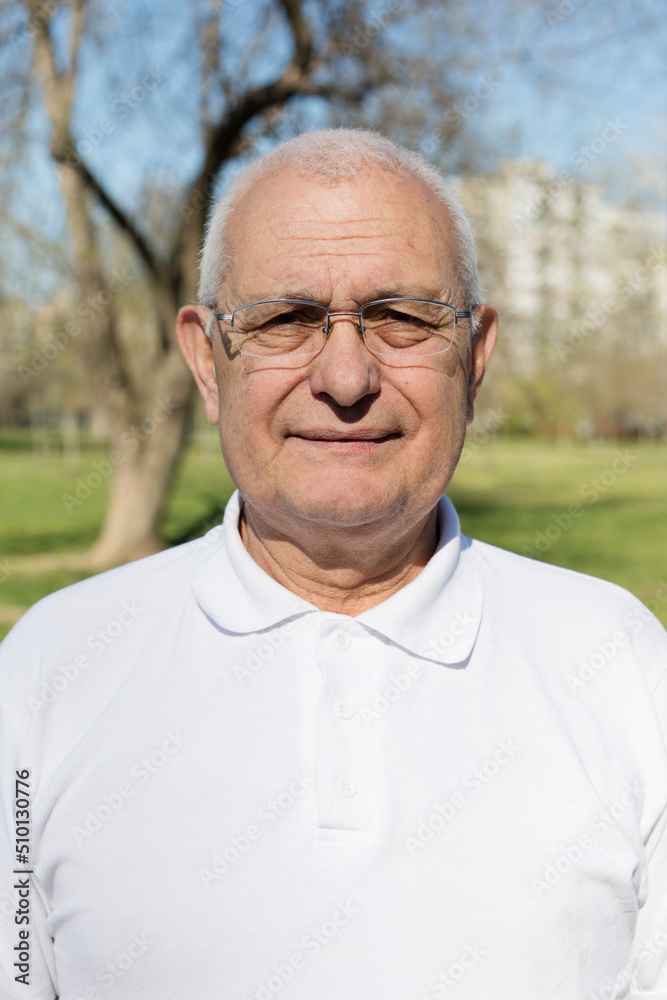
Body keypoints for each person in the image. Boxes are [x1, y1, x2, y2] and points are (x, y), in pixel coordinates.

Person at [1, 128, 666, 999]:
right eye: (285, 318)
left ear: (474, 356)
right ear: (207, 359)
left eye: (402, 318)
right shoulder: (51, 668)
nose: (345, 377)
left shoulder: (620, 661)